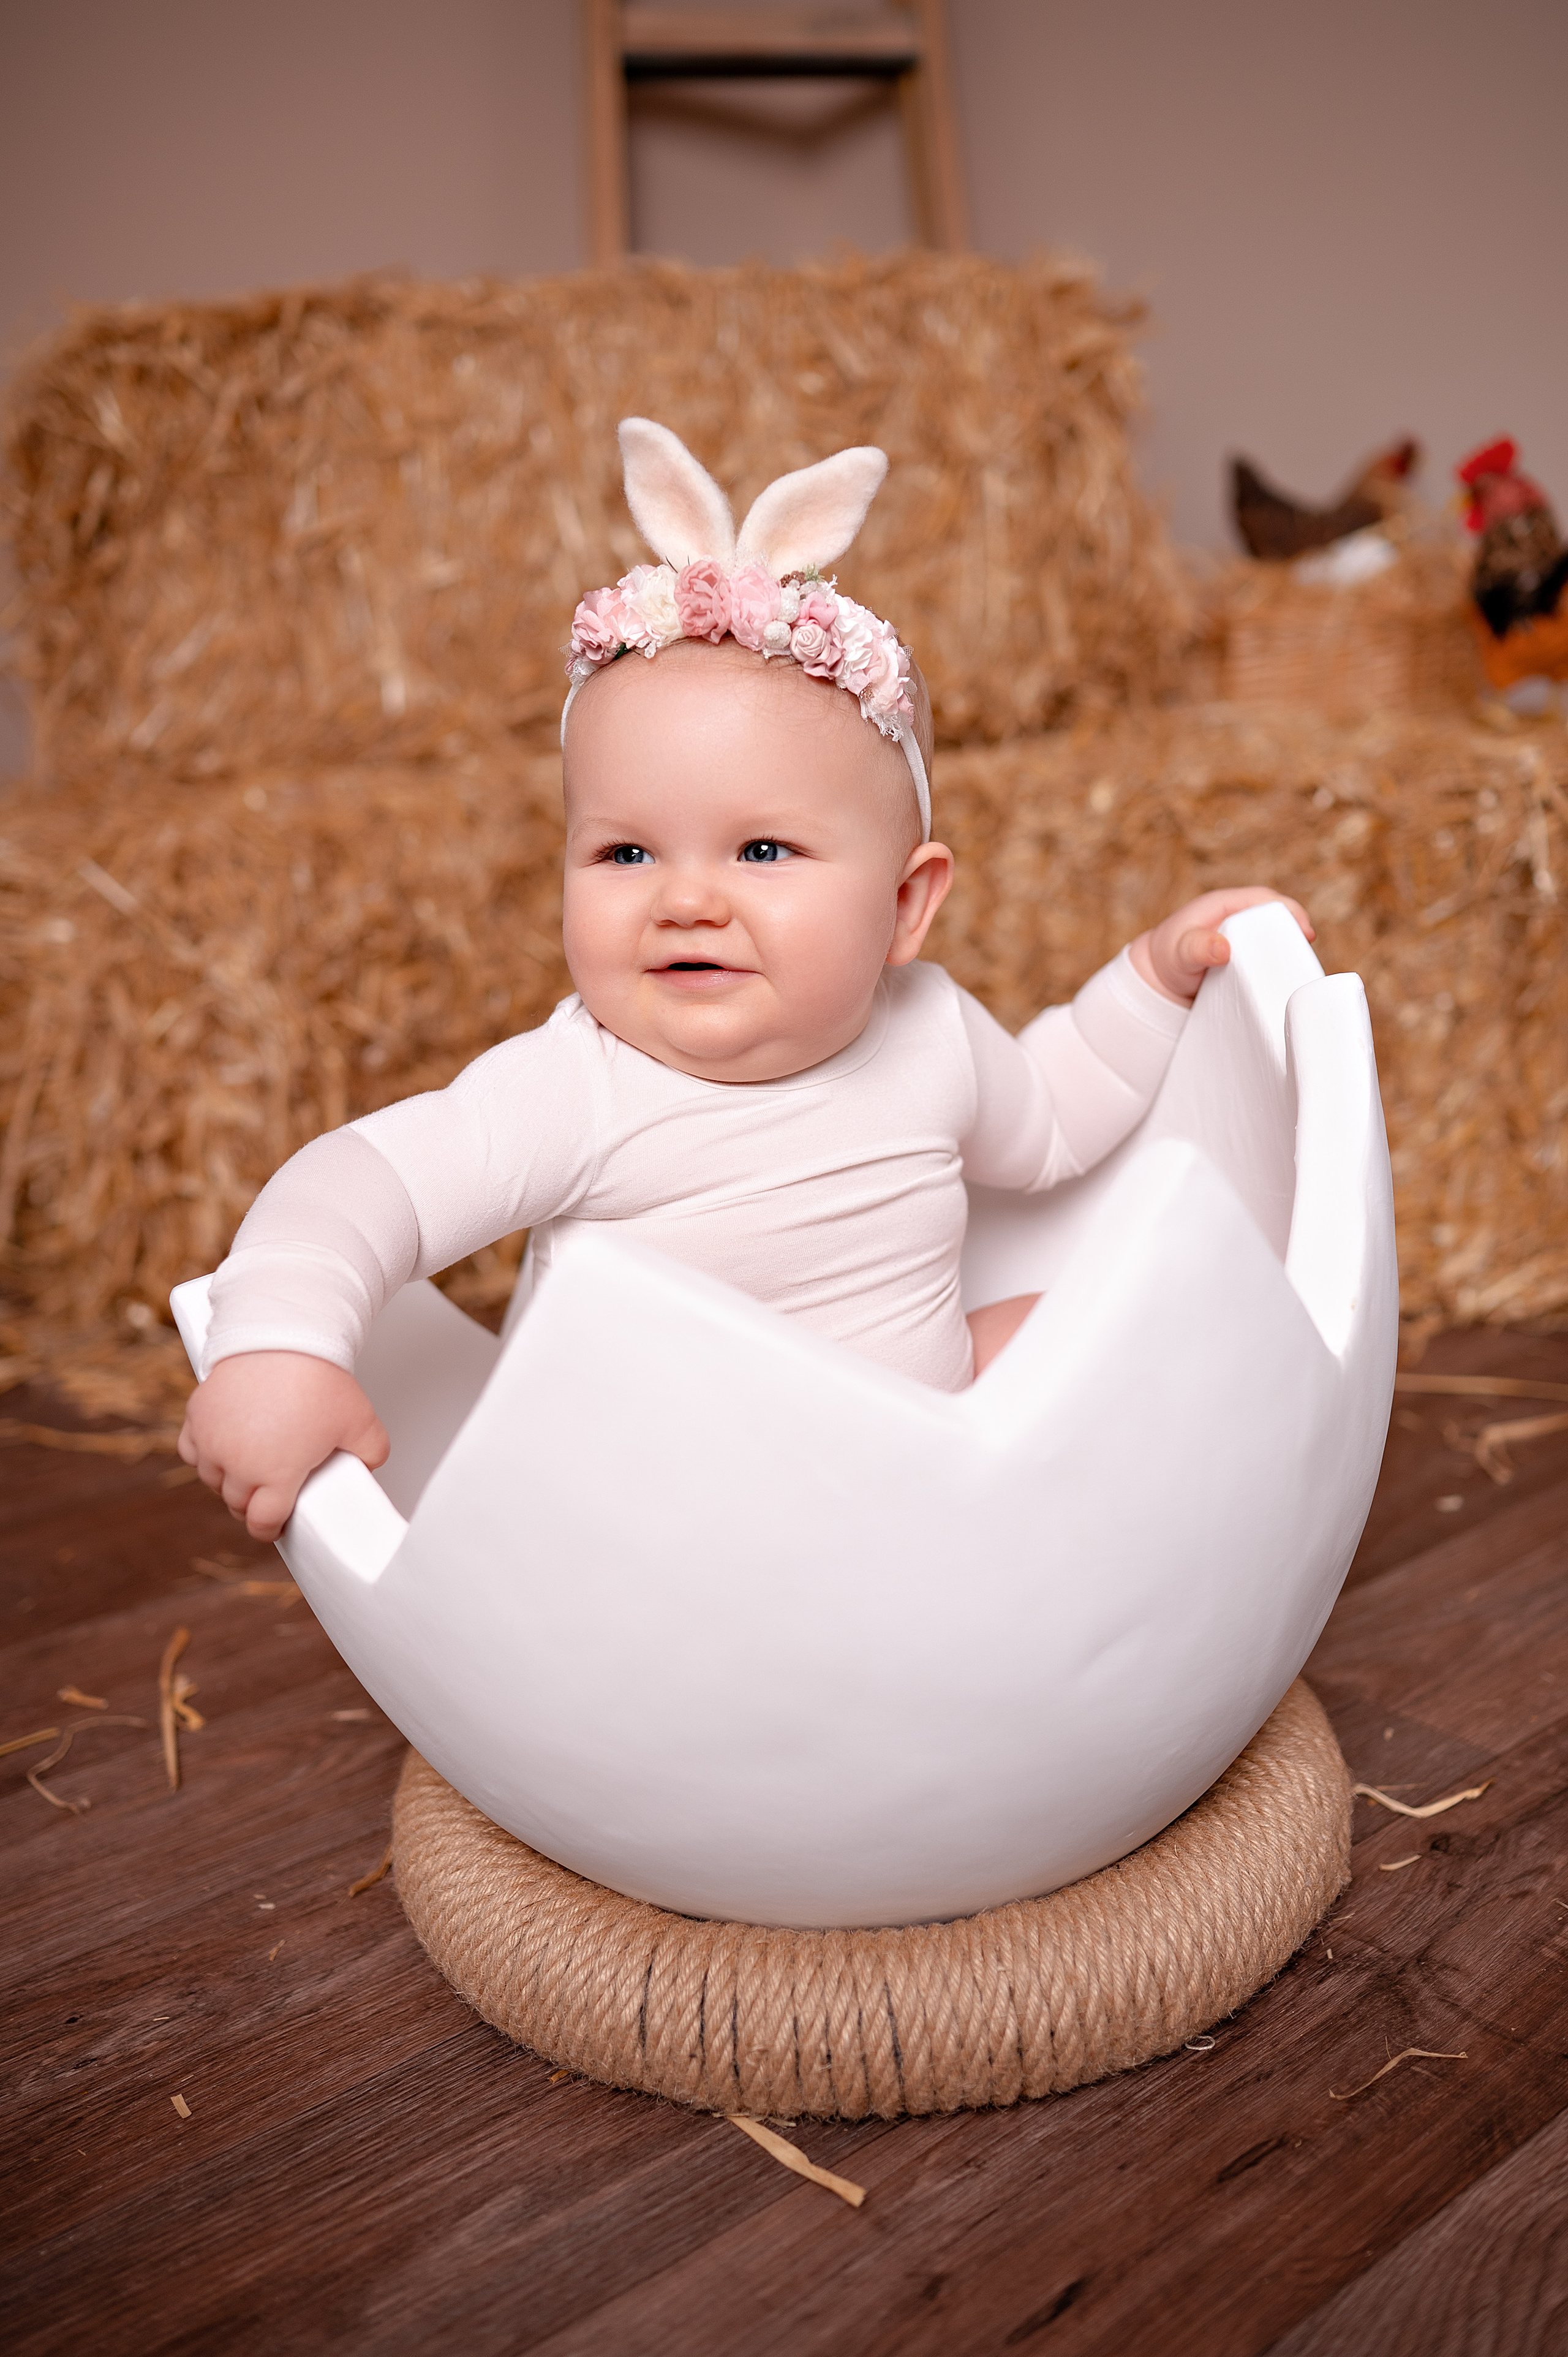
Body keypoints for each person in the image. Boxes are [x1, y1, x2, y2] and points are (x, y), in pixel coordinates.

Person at [179, 420, 1311, 1540]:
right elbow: (354, 1189)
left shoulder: (932, 1033)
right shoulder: (577, 1090)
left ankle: (1128, 1582)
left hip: (922, 1465)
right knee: (558, 1517)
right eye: (625, 853)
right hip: (669, 1540)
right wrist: (277, 1345)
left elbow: (1056, 1119)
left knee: (1099, 1329)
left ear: (906, 907)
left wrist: (1156, 976)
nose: (685, 899)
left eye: (762, 852)